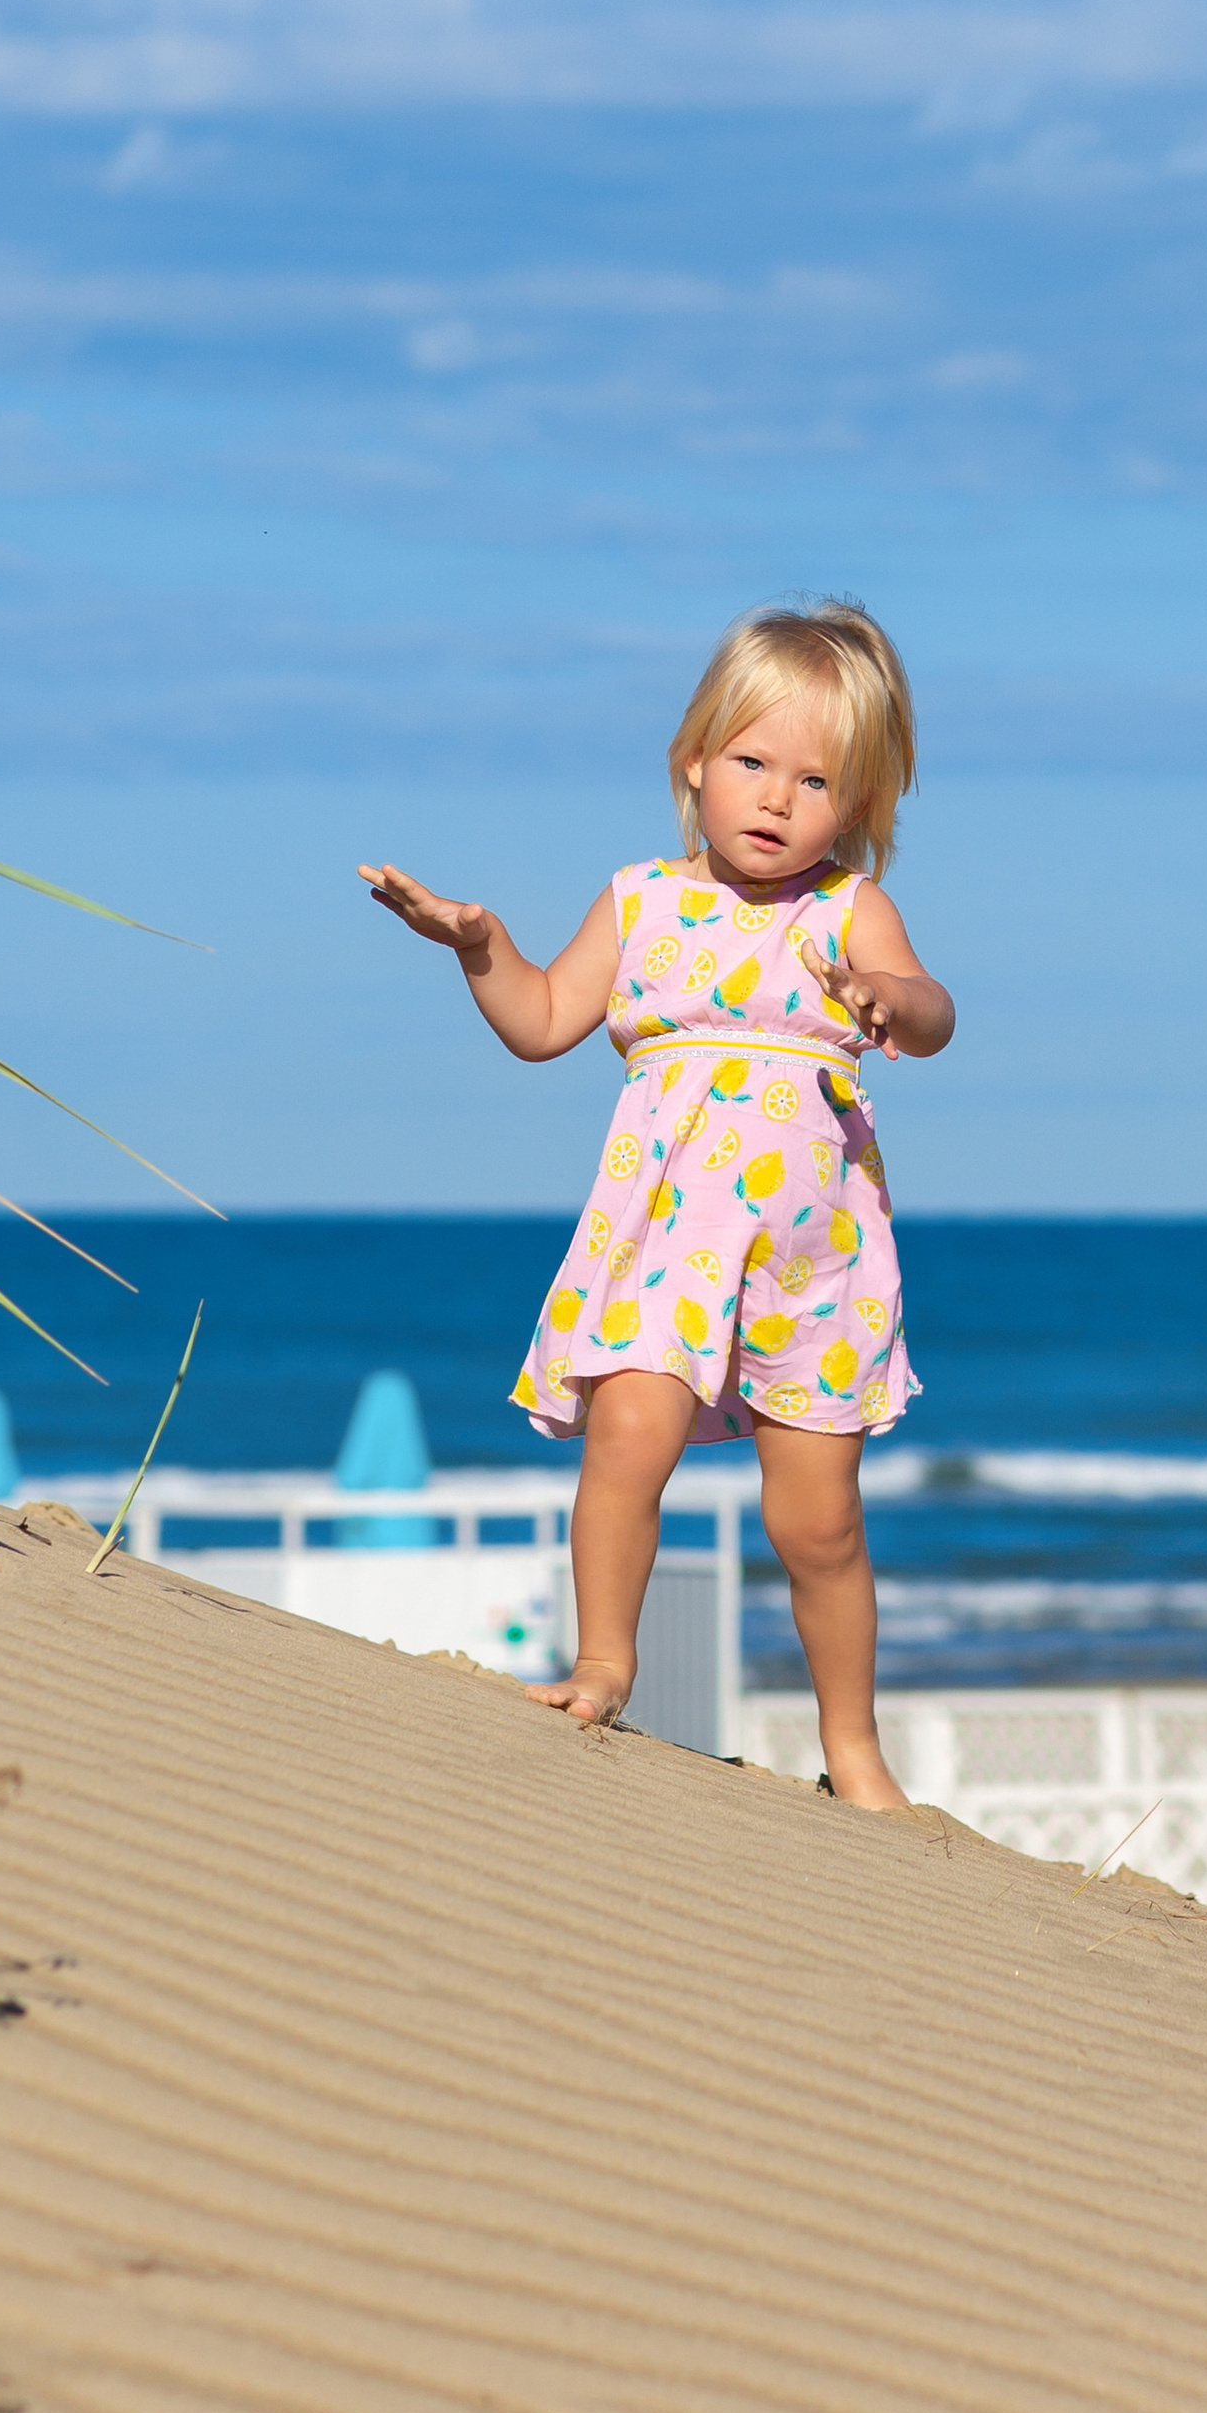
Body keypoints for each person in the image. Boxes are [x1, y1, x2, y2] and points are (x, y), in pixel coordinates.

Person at [360, 601, 954, 1810]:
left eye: (816, 780)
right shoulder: (640, 902)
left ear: (860, 810)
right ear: (694, 761)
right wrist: (478, 945)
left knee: (817, 1523)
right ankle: (603, 1665)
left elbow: (936, 1011)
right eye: (752, 763)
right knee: (630, 1437)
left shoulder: (845, 915)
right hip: (666, 1241)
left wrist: (891, 997)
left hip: (812, 1261)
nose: (777, 800)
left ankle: (854, 1750)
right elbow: (539, 1022)